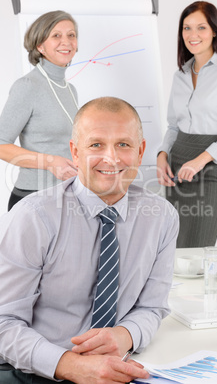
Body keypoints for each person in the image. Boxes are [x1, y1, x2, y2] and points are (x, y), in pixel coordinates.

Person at [0, 96, 179, 384]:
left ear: (141, 151)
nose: (111, 158)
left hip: (118, 370)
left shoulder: (162, 218)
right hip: (37, 371)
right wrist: (71, 366)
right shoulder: (33, 217)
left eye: (124, 144)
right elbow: (3, 323)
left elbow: (152, 307)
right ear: (75, 152)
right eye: (96, 144)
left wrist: (125, 335)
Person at [157, 1, 217, 248]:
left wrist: (201, 159)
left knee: (200, 247)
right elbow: (173, 126)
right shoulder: (179, 75)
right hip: (177, 168)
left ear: (214, 31)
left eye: (201, 27)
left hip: (211, 169)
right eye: (187, 28)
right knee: (173, 248)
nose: (193, 35)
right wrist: (161, 155)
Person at [0, 10, 79, 211]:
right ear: (40, 46)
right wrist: (50, 162)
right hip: (34, 197)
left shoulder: (70, 90)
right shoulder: (28, 85)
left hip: (67, 194)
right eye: (56, 36)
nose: (67, 41)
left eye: (71, 35)